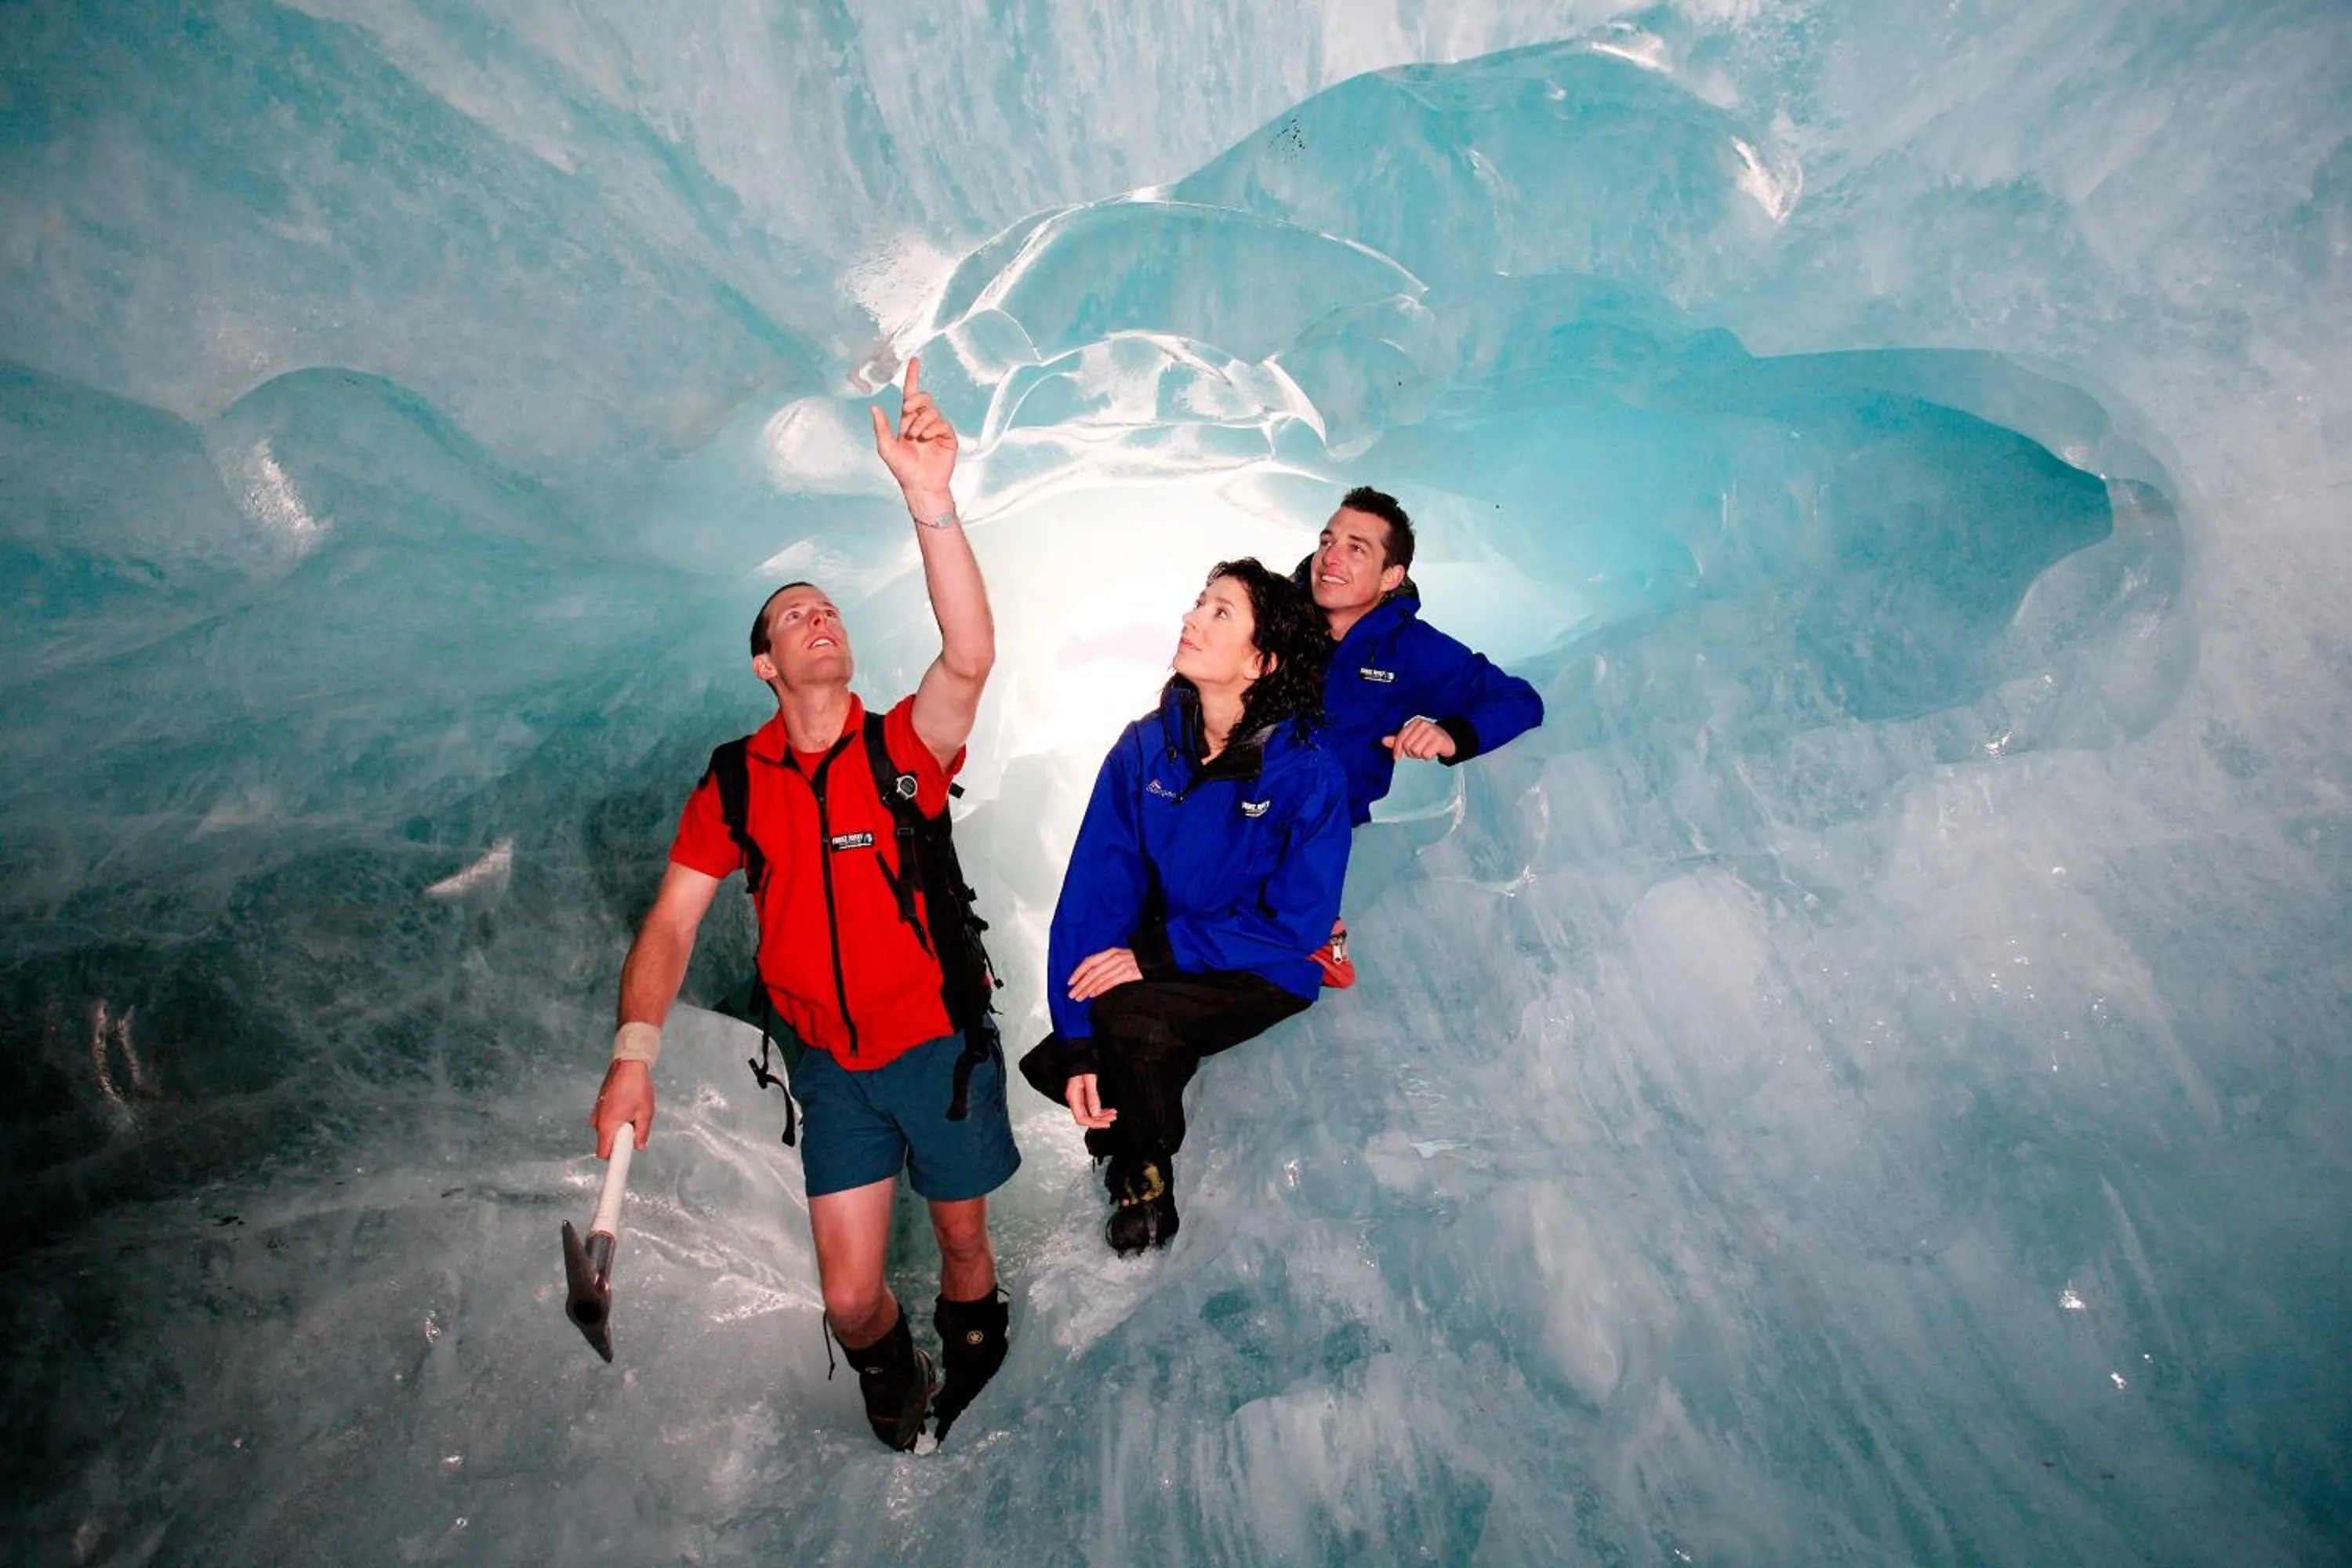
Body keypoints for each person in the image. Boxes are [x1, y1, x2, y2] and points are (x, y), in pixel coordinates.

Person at [588, 359, 1018, 1452]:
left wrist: (930, 500)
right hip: (833, 1069)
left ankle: (976, 1350)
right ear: (764, 663)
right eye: (793, 615)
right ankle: (894, 1359)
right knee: (847, 1297)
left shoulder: (901, 749)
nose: (817, 620)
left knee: (965, 1248)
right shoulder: (736, 782)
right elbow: (673, 921)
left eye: (827, 609)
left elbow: (969, 654)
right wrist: (635, 1053)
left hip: (936, 1046)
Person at [1017, 560, 1349, 1254]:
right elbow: (1092, 898)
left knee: (1132, 1019)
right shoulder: (1147, 748)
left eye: (1220, 612)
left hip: (1263, 965)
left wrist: (1155, 956)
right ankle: (1123, 1111)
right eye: (1199, 604)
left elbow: (1299, 924)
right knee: (1071, 1048)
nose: (1192, 618)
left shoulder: (1307, 770)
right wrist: (1076, 1044)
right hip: (1169, 953)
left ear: (1261, 661)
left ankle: (1145, 1175)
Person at [1294, 486, 1544, 986]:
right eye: (1328, 540)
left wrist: (1451, 734)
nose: (1330, 557)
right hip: (1226, 813)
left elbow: (1520, 700)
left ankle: (1319, 933)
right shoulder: (1274, 618)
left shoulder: (1409, 649)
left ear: (1392, 577)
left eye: (1356, 548)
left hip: (1316, 834)